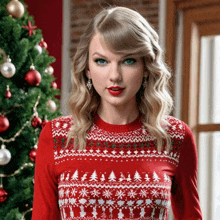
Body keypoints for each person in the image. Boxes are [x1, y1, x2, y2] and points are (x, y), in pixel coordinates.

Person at [32, 6, 202, 220]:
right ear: (87, 69)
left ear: (146, 67)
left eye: (128, 61)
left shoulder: (176, 137)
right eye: (101, 61)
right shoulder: (56, 137)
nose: (115, 76)